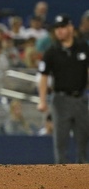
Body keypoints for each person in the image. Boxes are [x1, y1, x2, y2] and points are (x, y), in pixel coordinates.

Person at [37, 14, 89, 164]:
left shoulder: (83, 47)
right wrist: (42, 100)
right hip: (60, 100)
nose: (59, 31)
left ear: (70, 28)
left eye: (63, 27)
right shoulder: (52, 51)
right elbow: (44, 76)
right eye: (57, 28)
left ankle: (83, 179)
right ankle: (61, 179)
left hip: (81, 98)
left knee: (83, 140)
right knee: (61, 141)